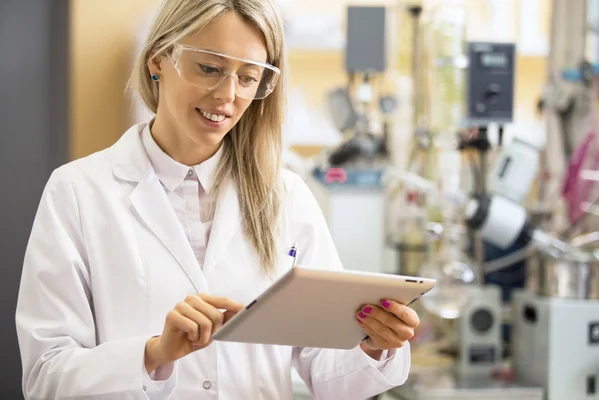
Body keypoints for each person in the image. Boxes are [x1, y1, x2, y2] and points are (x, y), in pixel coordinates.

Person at [15, 0, 421, 399]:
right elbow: (46, 376)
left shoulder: (286, 196)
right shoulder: (78, 190)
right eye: (209, 68)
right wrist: (155, 354)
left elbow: (329, 372)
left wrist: (374, 344)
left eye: (248, 78)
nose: (227, 96)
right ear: (159, 60)